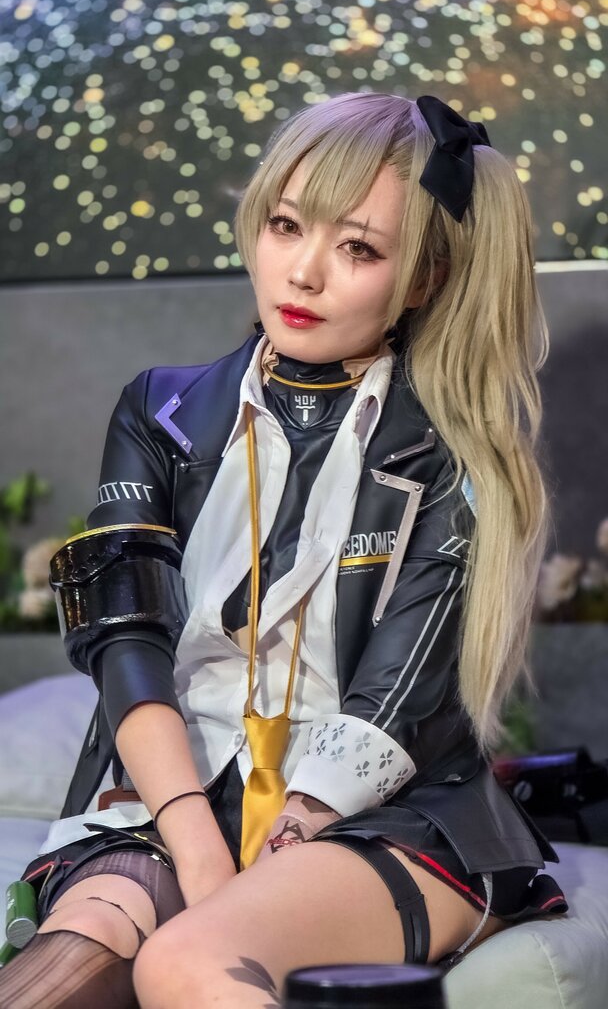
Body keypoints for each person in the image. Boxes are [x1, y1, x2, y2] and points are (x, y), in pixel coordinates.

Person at [0, 92, 567, 1009]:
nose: (303, 272)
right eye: (285, 225)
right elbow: (125, 642)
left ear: (422, 280)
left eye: (359, 249)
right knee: (72, 958)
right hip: (176, 799)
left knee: (183, 961)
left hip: (383, 815)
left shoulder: (453, 448)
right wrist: (194, 842)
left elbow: (400, 693)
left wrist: (288, 834)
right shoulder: (161, 412)